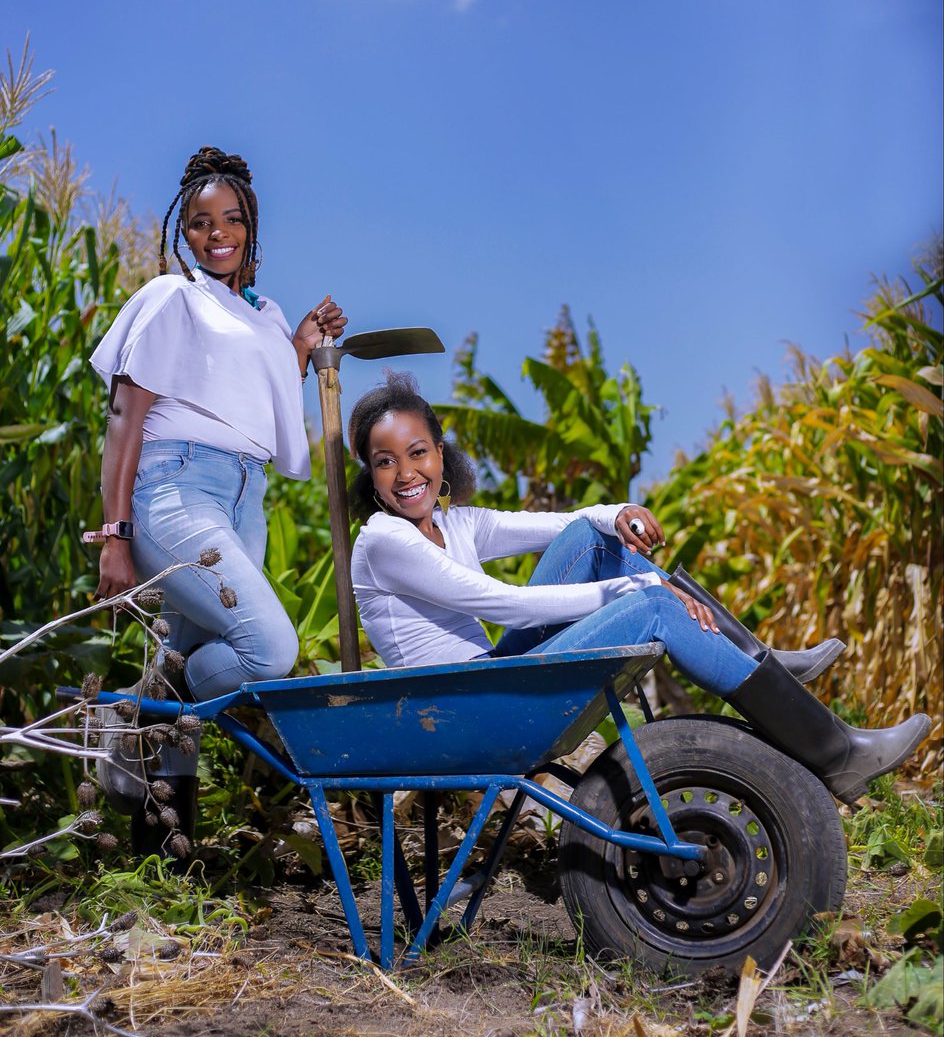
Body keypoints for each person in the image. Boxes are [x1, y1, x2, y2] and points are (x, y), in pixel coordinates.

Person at [348, 373, 930, 807]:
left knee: (589, 536)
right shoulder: (384, 540)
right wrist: (632, 590)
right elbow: (505, 603)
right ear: (369, 476)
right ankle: (836, 752)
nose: (405, 474)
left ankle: (760, 663)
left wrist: (617, 511)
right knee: (649, 600)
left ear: (440, 454)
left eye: (417, 452)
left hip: (492, 683)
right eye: (385, 462)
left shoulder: (456, 524)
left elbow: (567, 526)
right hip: (460, 711)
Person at [89, 146, 346, 853]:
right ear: (185, 232)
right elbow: (125, 414)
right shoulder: (173, 297)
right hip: (176, 488)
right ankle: (148, 708)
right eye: (202, 222)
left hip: (245, 497)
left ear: (251, 228)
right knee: (268, 649)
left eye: (232, 219)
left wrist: (298, 348)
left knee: (193, 663)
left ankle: (159, 859)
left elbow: (256, 406)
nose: (218, 233)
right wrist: (115, 533)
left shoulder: (264, 314)